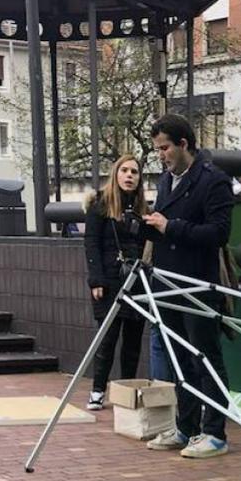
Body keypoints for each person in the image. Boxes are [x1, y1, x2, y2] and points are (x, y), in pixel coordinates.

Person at [143, 114, 235, 459]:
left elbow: (218, 234)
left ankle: (215, 432)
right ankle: (186, 427)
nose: (161, 155)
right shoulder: (167, 181)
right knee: (179, 357)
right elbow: (165, 225)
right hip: (167, 281)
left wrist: (171, 228)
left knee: (206, 358)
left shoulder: (213, 181)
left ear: (184, 144)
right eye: (157, 149)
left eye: (165, 147)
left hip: (198, 283)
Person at [83, 154, 150, 410]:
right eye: (125, 170)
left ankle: (127, 392)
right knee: (107, 338)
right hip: (109, 279)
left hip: (136, 279)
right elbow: (91, 244)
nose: (130, 175)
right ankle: (98, 389)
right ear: (116, 174)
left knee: (133, 342)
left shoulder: (143, 209)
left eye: (134, 171)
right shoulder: (100, 205)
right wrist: (96, 280)